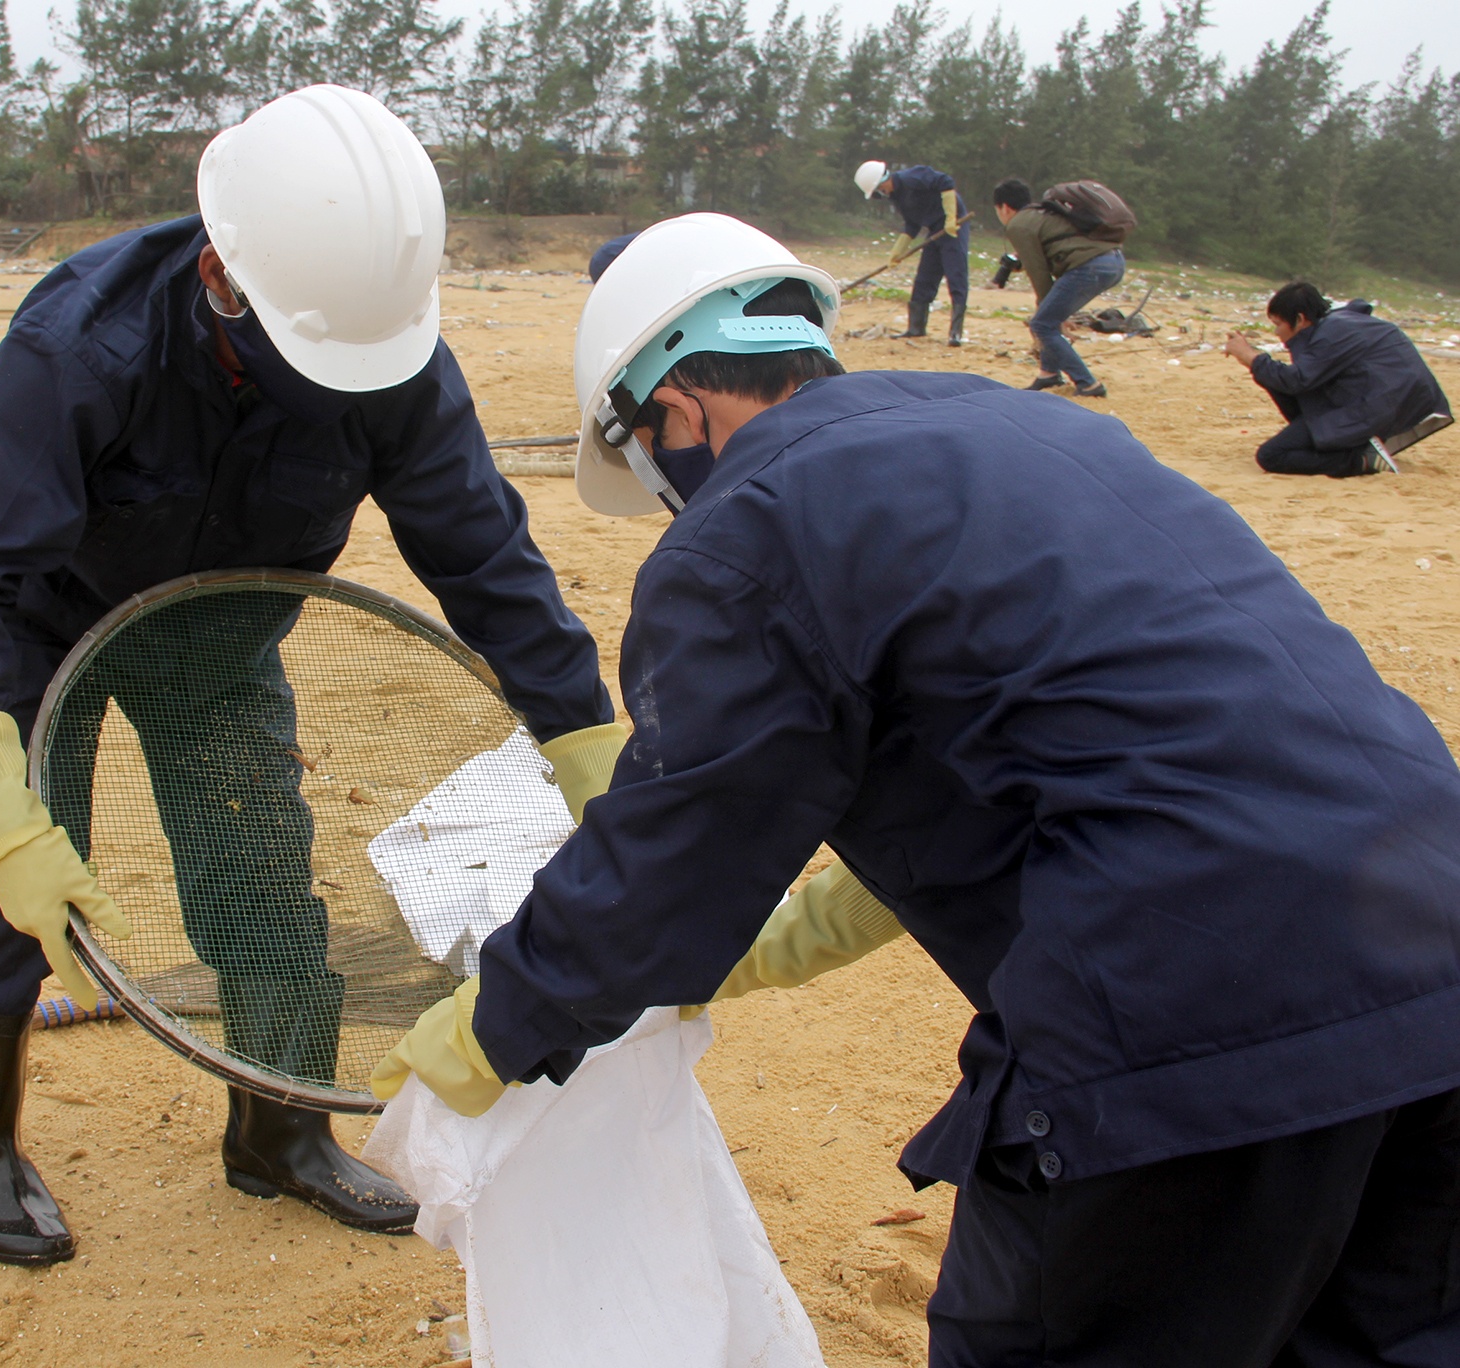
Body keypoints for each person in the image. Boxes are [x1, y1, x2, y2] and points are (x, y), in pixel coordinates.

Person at [376, 211, 1460, 1365]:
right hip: (1430, 957)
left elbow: (680, 846)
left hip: (1190, 1015)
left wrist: (497, 1026)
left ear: (677, 412)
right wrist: (762, 943)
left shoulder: (752, 526)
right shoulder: (1038, 433)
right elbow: (1065, 757)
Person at [0, 84, 626, 1266]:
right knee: (10, 895)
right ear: (224, 278)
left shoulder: (394, 365)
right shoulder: (81, 348)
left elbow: (487, 565)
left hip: (223, 633)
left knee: (263, 874)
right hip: (44, 622)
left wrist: (587, 748)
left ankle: (275, 1134)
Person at [1225, 281, 1450, 477]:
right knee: (1276, 380)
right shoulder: (1337, 325)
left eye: (1278, 324)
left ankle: (1361, 459)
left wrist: (1250, 357)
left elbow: (1297, 380)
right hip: (1386, 400)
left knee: (1272, 455)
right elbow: (1296, 380)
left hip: (1380, 406)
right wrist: (1255, 361)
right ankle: (1352, 449)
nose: (1276, 333)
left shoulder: (1332, 334)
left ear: (1300, 319)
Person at [992, 177, 1122, 399]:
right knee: (1048, 320)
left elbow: (1038, 272)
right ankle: (1048, 373)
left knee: (1042, 324)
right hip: (1113, 262)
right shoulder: (1042, 213)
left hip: (1089, 267)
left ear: (1004, 207)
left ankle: (1088, 384)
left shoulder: (1019, 224)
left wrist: (1048, 306)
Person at [854, 158, 969, 346]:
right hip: (934, 229)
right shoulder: (898, 197)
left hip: (953, 225)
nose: (883, 194)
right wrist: (897, 251)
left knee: (956, 274)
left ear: (884, 181)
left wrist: (950, 217)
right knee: (925, 277)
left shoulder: (912, 177)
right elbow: (912, 224)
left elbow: (946, 182)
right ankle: (916, 328)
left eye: (881, 190)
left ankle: (955, 332)